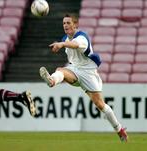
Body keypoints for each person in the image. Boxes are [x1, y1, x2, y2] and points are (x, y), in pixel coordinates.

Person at [39, 13, 128, 142]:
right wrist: (62, 44)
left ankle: (119, 129)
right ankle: (52, 80)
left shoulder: (82, 37)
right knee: (60, 71)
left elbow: (75, 45)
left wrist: (62, 44)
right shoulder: (65, 39)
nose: (66, 25)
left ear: (76, 25)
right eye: (64, 23)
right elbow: (70, 49)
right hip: (74, 70)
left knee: (100, 104)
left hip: (89, 73)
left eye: (68, 23)